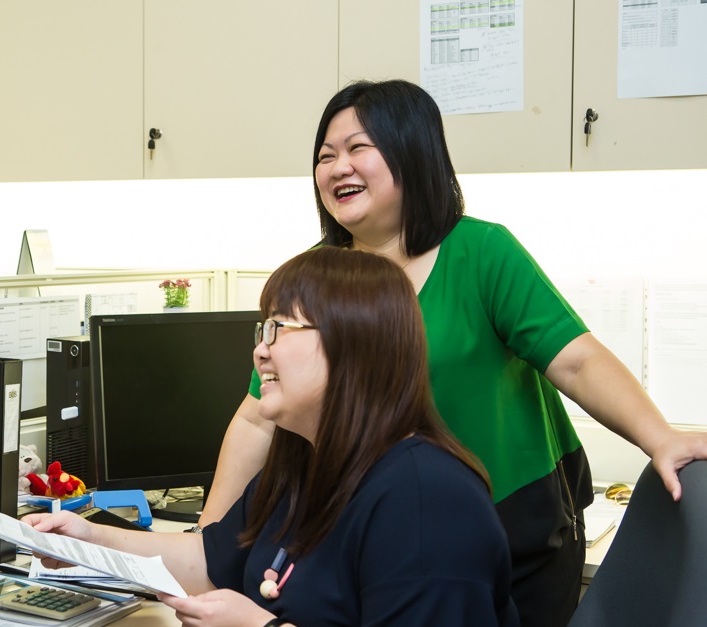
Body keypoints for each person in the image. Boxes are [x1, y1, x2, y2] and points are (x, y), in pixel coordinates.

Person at [200, 79, 707, 627]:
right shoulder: (319, 281)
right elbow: (256, 421)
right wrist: (212, 542)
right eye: (325, 156)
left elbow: (576, 360)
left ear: (412, 152)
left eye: (357, 149)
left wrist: (660, 437)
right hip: (387, 529)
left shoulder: (482, 252)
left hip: (514, 523)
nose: (336, 167)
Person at [27, 247, 518, 626]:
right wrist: (88, 541)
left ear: (354, 344)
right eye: (262, 331)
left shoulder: (427, 499)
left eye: (280, 329)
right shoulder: (303, 467)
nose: (261, 353)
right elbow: (208, 561)